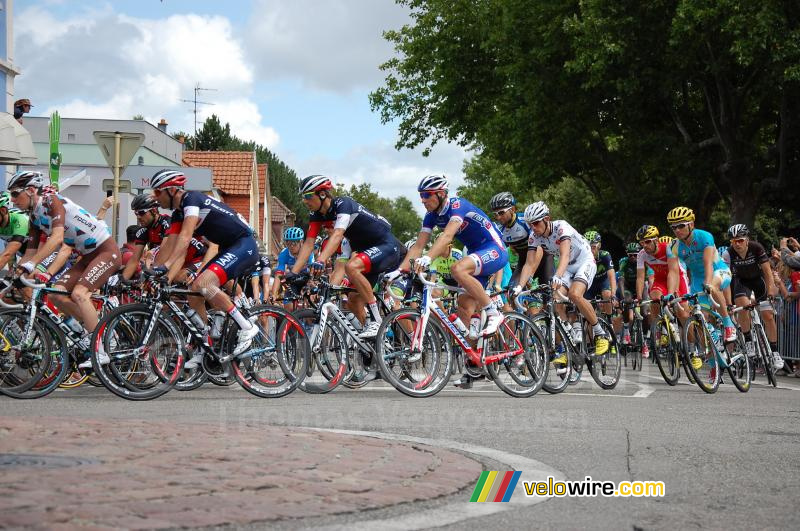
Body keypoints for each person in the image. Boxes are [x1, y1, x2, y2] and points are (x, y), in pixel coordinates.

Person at [147, 169, 260, 369]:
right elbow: (174, 248)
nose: (155, 198)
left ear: (172, 190)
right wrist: (160, 275)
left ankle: (246, 326)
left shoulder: (191, 199)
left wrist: (164, 267)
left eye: (157, 192)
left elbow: (185, 237)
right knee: (194, 294)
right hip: (228, 247)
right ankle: (208, 345)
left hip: (244, 244)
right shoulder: (177, 214)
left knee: (203, 283)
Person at [8, 170, 120, 367]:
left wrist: (32, 265)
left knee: (79, 294)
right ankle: (91, 329)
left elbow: (58, 238)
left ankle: (99, 349)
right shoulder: (34, 217)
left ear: (32, 190)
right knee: (55, 294)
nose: (13, 199)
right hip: (86, 255)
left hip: (105, 250)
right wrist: (17, 273)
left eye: (16, 194)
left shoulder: (51, 201)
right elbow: (30, 253)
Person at [291, 175, 406, 338]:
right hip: (368, 253)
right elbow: (309, 243)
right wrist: (293, 273)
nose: (305, 201)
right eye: (303, 197)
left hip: (386, 245)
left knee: (352, 267)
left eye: (308, 196)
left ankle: (376, 321)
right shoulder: (317, 216)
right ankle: (377, 339)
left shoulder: (343, 204)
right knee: (352, 299)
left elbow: (337, 234)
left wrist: (320, 260)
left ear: (322, 194)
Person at [513, 201, 609, 357]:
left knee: (575, 294)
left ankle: (600, 333)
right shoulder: (534, 236)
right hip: (568, 267)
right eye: (530, 225)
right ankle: (569, 340)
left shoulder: (561, 227)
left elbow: (564, 256)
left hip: (584, 262)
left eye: (536, 223)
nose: (533, 228)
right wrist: (519, 287)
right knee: (554, 300)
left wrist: (557, 276)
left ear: (547, 219)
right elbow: (529, 264)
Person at [666, 206, 735, 342]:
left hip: (718, 271)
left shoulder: (704, 236)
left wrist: (709, 283)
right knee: (699, 317)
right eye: (674, 228)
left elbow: (708, 263)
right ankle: (712, 353)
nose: (677, 230)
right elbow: (673, 272)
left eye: (681, 226)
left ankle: (728, 324)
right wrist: (670, 293)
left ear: (691, 224)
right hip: (698, 279)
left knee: (713, 286)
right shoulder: (673, 246)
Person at [725, 224, 784, 370]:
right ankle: (748, 340)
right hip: (741, 281)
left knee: (767, 315)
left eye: (740, 240)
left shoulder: (756, 248)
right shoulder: (728, 253)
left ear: (747, 239)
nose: (737, 244)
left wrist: (771, 289)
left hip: (759, 280)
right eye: (734, 241)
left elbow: (767, 271)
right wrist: (727, 301)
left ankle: (775, 352)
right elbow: (726, 278)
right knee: (742, 305)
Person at [489, 192, 553, 291]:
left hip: (543, 259)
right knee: (512, 292)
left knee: (549, 295)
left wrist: (530, 275)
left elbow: (539, 247)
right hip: (523, 262)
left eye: (501, 212)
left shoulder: (525, 221)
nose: (498, 217)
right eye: (495, 214)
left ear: (513, 209)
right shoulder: (499, 228)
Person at [272, 227, 313, 308]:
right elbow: (278, 275)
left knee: (310, 305)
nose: (291, 246)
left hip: (307, 280)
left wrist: (310, 286)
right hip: (294, 282)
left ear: (301, 242)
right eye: (288, 243)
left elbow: (312, 272)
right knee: (288, 307)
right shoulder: (284, 253)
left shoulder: (308, 252)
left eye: (294, 243)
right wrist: (274, 294)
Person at [582, 230, 616, 316]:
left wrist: (613, 294)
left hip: (603, 281)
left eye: (593, 247)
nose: (590, 251)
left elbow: (611, 276)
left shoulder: (605, 255)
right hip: (590, 283)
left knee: (607, 294)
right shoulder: (582, 257)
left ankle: (609, 318)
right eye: (587, 247)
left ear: (599, 246)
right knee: (588, 315)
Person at [0, 192, 30, 271]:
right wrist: (11, 272)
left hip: (45, 252)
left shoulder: (20, 219)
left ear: (3, 210)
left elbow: (8, 254)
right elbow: (9, 249)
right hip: (24, 252)